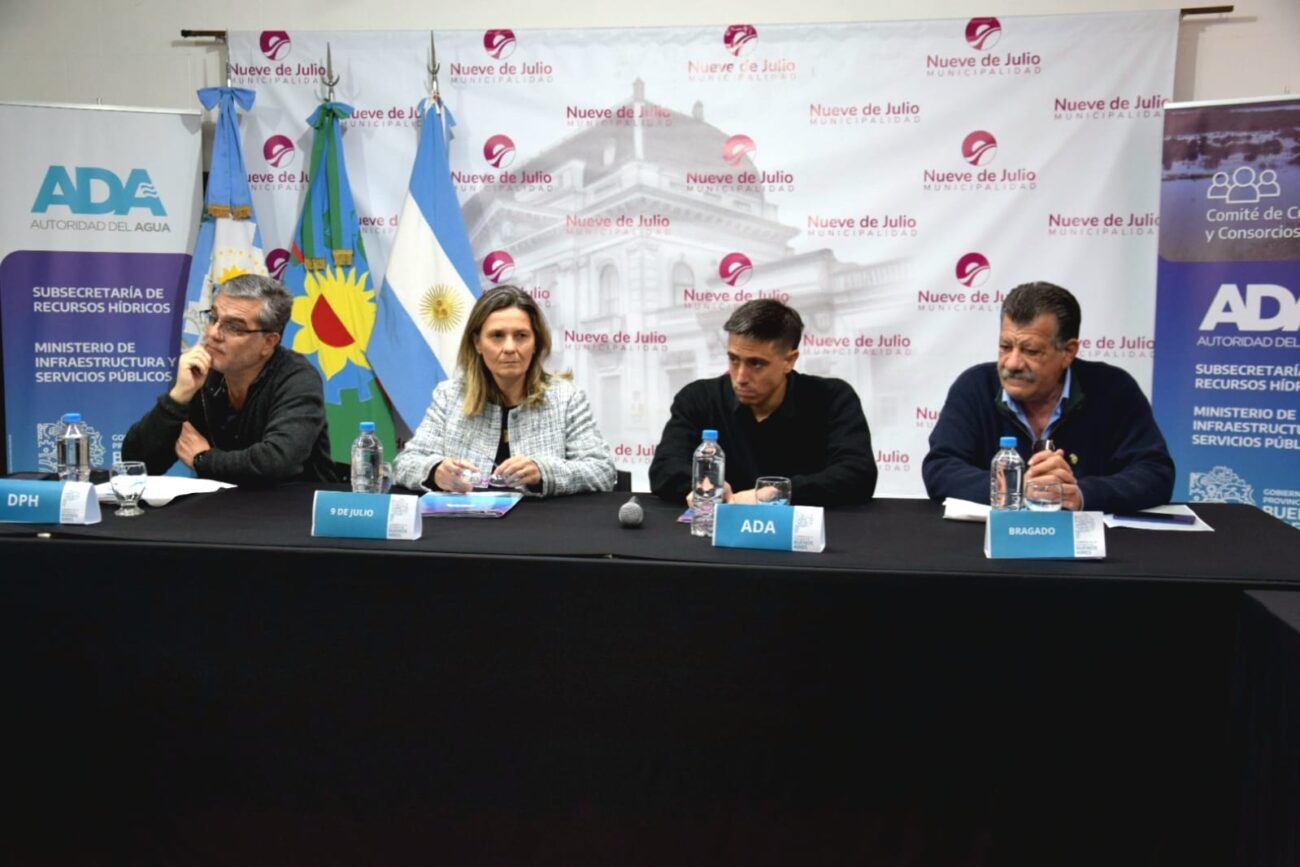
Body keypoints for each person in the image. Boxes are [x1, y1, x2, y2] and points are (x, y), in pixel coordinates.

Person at [922, 281, 1174, 512]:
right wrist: (1016, 488)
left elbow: (1155, 473)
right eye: (1006, 347)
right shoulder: (975, 387)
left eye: (1030, 350)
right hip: (989, 541)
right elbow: (941, 468)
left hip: (1088, 541)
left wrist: (1080, 494)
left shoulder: (1113, 389)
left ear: (1068, 352)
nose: (1013, 363)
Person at [648, 299, 877, 506]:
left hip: (804, 535)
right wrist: (704, 486)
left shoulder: (832, 398)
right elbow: (664, 469)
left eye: (756, 364)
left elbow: (857, 474)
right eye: (734, 359)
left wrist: (775, 494)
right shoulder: (697, 398)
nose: (740, 377)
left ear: (789, 361)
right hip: (715, 533)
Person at [393, 285, 616, 496]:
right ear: (477, 343)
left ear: (536, 343)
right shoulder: (449, 397)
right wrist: (435, 471)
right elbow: (405, 463)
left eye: (521, 336)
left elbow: (602, 471)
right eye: (497, 336)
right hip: (465, 522)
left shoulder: (566, 398)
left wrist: (544, 472)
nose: (509, 348)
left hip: (542, 522)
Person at [122, 274, 337, 483]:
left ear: (269, 342)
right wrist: (178, 397)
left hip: (294, 504)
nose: (213, 334)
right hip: (222, 504)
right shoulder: (203, 373)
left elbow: (277, 462)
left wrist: (204, 459)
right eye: (213, 318)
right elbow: (138, 463)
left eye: (233, 327)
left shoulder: (297, 379)